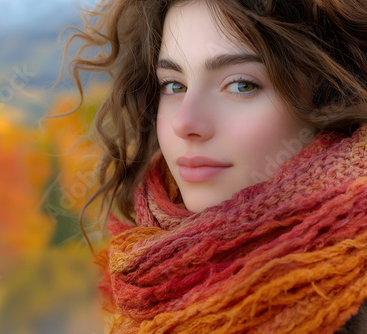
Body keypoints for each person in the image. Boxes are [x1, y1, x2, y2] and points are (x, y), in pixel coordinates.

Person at [63, 0, 366, 332]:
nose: (185, 122)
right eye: (174, 85)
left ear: (332, 96)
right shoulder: (142, 279)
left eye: (240, 85)